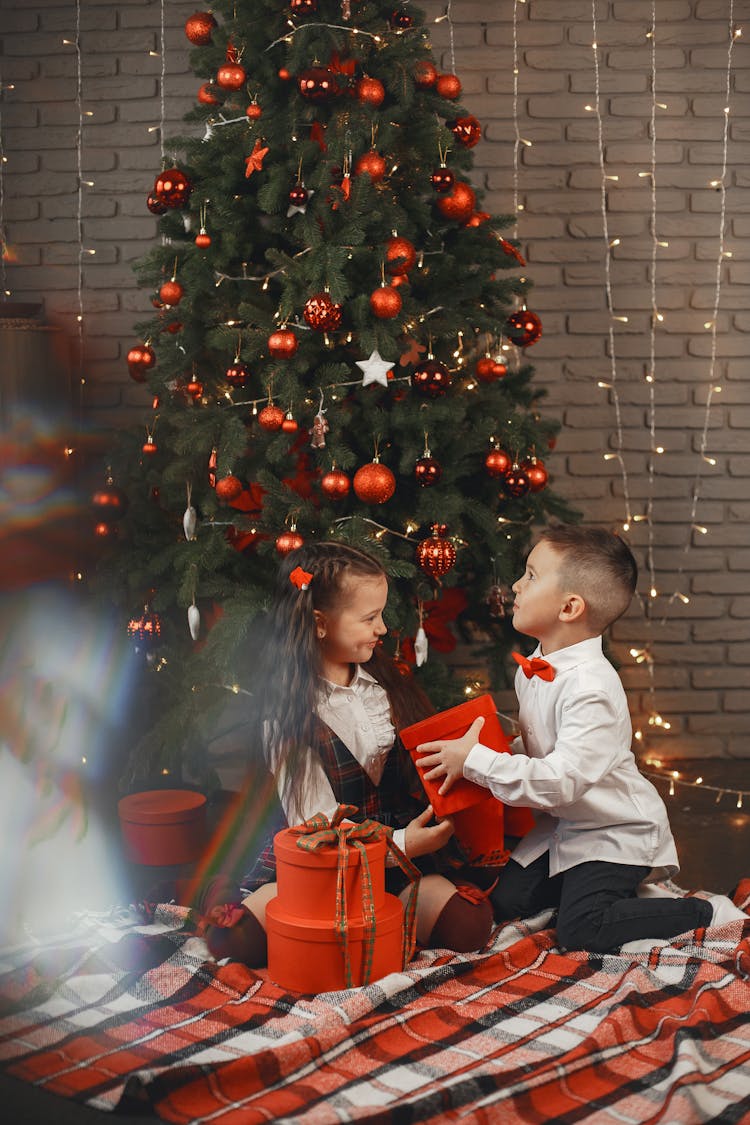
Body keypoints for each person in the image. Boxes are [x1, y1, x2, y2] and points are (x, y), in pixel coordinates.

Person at [415, 524, 742, 954]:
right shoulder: (533, 666)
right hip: (565, 825)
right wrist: (492, 752)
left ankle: (706, 913)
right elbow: (541, 752)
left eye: (530, 575)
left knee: (582, 932)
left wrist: (477, 760)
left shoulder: (592, 689)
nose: (515, 584)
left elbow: (559, 780)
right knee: (506, 902)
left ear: (569, 607)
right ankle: (608, 896)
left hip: (614, 829)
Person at [198, 541, 498, 967]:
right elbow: (315, 832)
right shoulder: (287, 719)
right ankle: (245, 895)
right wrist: (405, 844)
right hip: (322, 868)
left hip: (394, 866)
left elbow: (416, 768)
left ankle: (382, 917)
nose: (382, 629)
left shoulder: (384, 684)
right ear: (320, 623)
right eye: (369, 618)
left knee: (468, 924)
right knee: (237, 943)